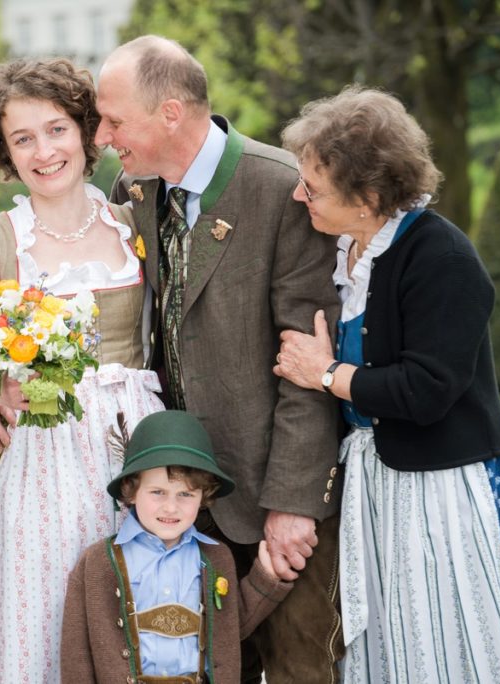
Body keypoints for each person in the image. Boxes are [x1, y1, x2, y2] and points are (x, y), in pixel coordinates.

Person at [275, 84, 500, 682]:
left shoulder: (442, 258)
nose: (300, 195)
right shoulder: (346, 250)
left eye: (315, 188)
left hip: (446, 487)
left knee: (449, 644)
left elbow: (427, 390)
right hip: (380, 484)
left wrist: (325, 373)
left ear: (369, 196)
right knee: (394, 646)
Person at [90, 35, 344, 681]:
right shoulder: (136, 189)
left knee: (299, 671)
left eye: (115, 120)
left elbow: (307, 368)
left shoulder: (281, 190)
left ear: (170, 114)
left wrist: (292, 506)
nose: (102, 136)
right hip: (187, 507)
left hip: (273, 505)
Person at [0, 58, 165, 683]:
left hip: (134, 444)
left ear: (88, 131)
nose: (44, 151)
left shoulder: (134, 222)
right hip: (42, 450)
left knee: (140, 618)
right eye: (23, 138)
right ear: (3, 151)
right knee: (45, 619)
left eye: (57, 128)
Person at [61, 410, 293, 683]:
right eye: (158, 492)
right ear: (131, 489)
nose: (171, 507)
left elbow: (228, 629)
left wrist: (264, 578)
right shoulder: (98, 562)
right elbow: (76, 654)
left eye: (185, 494)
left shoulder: (216, 558)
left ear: (203, 496)